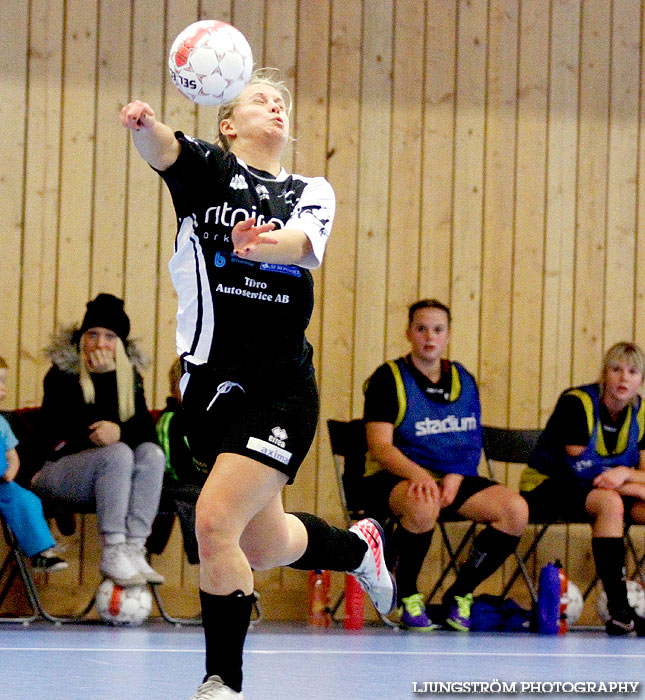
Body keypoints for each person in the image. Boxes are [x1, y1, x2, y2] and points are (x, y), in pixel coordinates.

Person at [120, 68, 395, 700]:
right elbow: (164, 148)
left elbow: (300, 243)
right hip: (211, 390)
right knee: (263, 543)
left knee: (214, 522)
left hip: (282, 388)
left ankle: (224, 682)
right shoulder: (209, 174)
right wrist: (142, 123)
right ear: (228, 123)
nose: (275, 108)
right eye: (260, 100)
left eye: (281, 104)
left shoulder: (309, 188)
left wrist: (256, 250)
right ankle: (359, 552)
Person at [363, 298, 528, 632]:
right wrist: (420, 475)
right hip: (394, 476)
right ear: (409, 332)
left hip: (452, 474)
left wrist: (455, 477)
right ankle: (407, 594)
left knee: (515, 510)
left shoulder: (463, 378)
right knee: (423, 504)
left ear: (448, 335)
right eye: (421, 328)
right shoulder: (388, 378)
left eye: (437, 329)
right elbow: (379, 447)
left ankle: (460, 594)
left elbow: (471, 439)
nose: (429, 337)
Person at [31, 293, 166, 588]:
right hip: (55, 470)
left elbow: (146, 435)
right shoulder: (61, 375)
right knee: (117, 453)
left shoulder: (131, 379)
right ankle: (114, 549)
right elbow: (79, 433)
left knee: (152, 455)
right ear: (82, 338)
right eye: (92, 334)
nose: (100, 344)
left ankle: (133, 546)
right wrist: (103, 382)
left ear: (120, 343)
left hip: (108, 477)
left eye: (109, 336)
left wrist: (121, 432)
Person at [520, 341, 645, 636]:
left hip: (603, 491)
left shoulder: (641, 414)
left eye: (632, 371)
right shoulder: (577, 403)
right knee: (610, 502)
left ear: (641, 380)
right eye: (616, 369)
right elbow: (581, 470)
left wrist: (625, 473)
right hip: (548, 486)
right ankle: (620, 611)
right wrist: (632, 484)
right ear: (604, 374)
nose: (624, 378)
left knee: (618, 500)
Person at [0, 356, 67, 572]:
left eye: (3, 382)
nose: (2, 389)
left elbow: (12, 455)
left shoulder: (1, 424)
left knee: (28, 500)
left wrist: (11, 471)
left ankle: (40, 553)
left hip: (2, 484)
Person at [147, 357, 207, 565]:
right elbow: (170, 465)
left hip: (199, 482)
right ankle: (203, 556)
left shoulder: (207, 421)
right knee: (199, 495)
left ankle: (240, 564)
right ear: (175, 388)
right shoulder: (170, 419)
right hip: (170, 484)